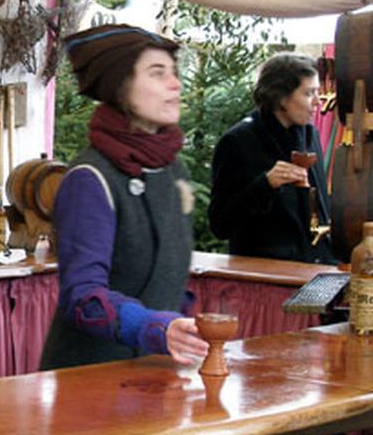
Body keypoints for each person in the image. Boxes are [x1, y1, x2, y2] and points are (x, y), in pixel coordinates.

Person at [40, 24, 209, 370]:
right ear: (121, 86)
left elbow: (167, 281)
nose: (175, 84)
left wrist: (179, 330)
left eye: (174, 73)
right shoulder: (89, 179)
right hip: (91, 379)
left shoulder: (173, 171)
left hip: (157, 373)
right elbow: (82, 297)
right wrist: (154, 327)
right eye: (157, 73)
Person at [208, 52, 335, 264]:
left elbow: (320, 210)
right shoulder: (238, 141)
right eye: (308, 93)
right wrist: (266, 185)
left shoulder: (309, 134)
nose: (317, 102)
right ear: (281, 97)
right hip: (265, 275)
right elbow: (220, 224)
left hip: (315, 269)